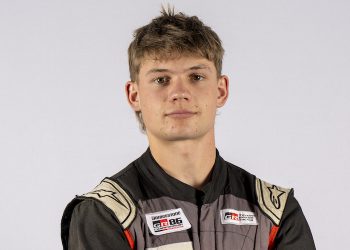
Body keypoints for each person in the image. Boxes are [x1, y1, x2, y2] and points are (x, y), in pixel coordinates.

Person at [61, 7, 316, 250]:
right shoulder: (106, 213)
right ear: (134, 95)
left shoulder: (275, 211)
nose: (179, 93)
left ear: (221, 90)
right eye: (161, 79)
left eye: (196, 77)